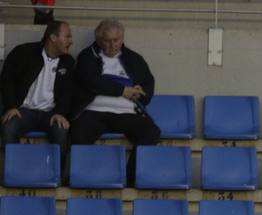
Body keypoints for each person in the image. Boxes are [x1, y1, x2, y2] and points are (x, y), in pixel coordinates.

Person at [69, 19, 160, 165]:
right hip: (94, 112)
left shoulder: (135, 59)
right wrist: (122, 90)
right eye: (107, 41)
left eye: (116, 40)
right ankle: (84, 176)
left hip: (126, 113)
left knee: (151, 132)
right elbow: (91, 81)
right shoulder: (87, 56)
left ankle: (131, 178)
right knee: (78, 134)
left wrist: (142, 93)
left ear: (122, 38)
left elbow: (148, 82)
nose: (112, 45)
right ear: (98, 40)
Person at [0, 19, 74, 165]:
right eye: (67, 36)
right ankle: (14, 173)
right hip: (23, 111)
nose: (71, 41)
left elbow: (70, 92)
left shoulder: (68, 62)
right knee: (9, 127)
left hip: (50, 114)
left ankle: (56, 176)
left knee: (61, 130)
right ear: (53, 37)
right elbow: (7, 80)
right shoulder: (23, 52)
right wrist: (11, 107)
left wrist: (61, 112)